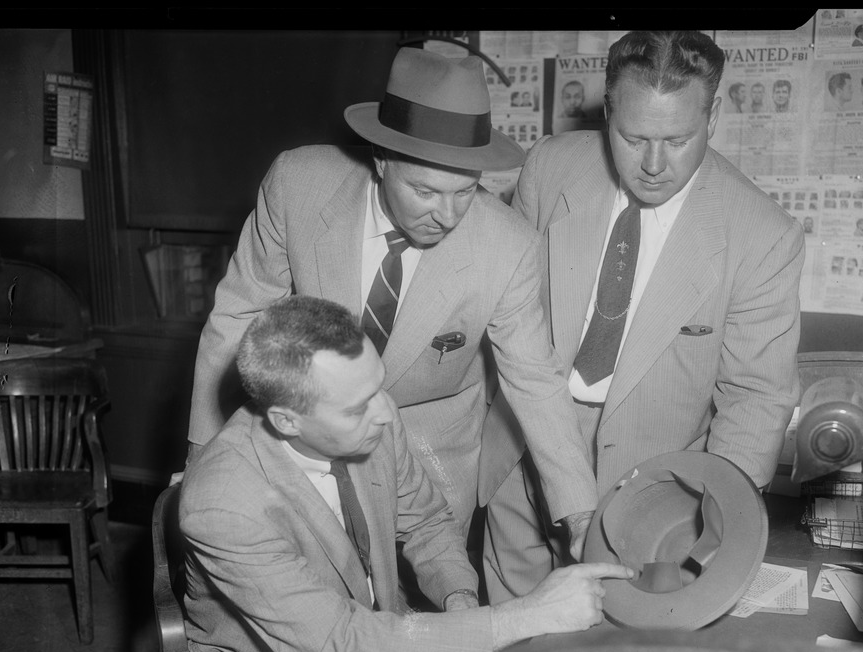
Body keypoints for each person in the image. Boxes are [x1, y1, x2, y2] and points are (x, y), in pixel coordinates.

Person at [179, 296, 634, 652]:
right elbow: (340, 648)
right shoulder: (223, 501)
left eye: (379, 386)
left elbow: (428, 523)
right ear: (286, 421)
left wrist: (460, 600)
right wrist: (523, 617)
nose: (384, 412)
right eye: (357, 407)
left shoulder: (374, 418)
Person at [186, 47, 599, 555]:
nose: (446, 215)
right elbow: (237, 316)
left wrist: (579, 515)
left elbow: (535, 380)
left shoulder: (509, 246)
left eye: (465, 192)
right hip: (305, 443)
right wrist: (201, 456)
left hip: (433, 457)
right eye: (426, 192)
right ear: (381, 161)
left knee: (432, 608)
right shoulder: (297, 186)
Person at [479, 30, 804, 602]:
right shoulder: (550, 168)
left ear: (714, 114)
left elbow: (755, 397)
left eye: (678, 139)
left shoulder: (761, 235)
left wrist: (706, 520)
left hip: (654, 481)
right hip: (526, 444)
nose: (653, 165)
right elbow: (510, 316)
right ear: (607, 112)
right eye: (632, 138)